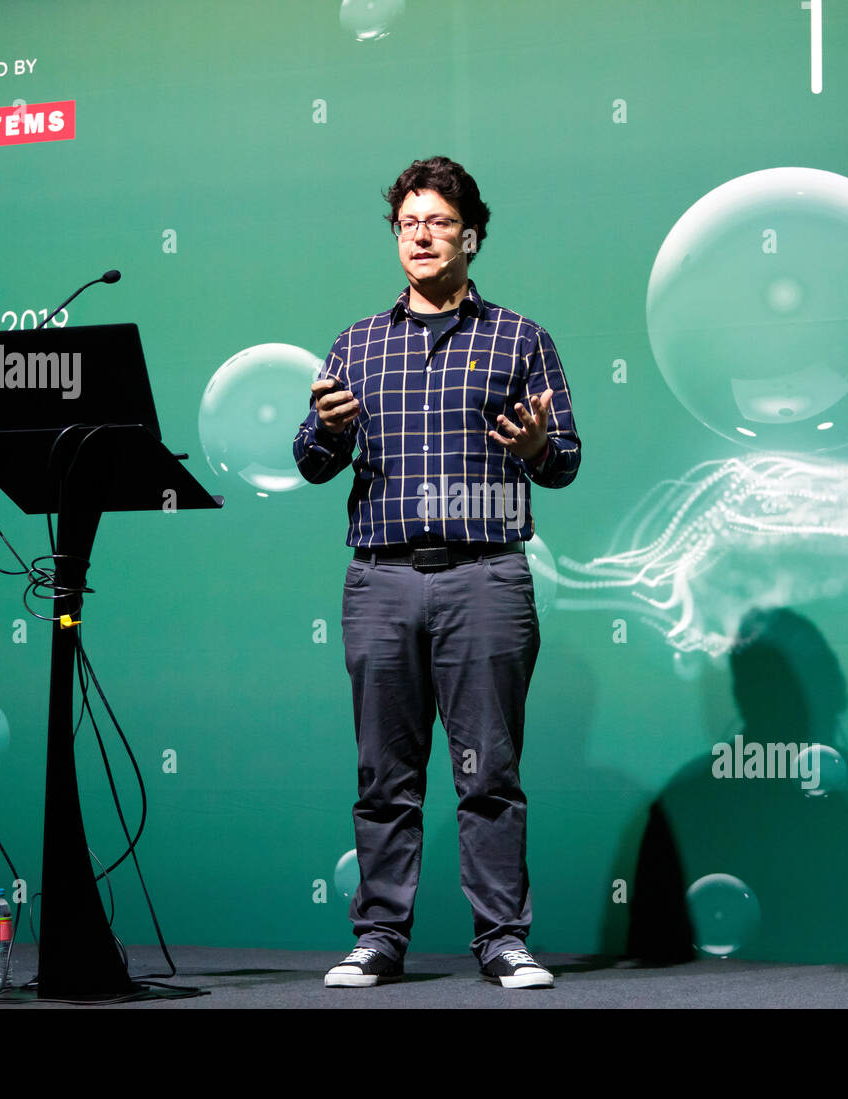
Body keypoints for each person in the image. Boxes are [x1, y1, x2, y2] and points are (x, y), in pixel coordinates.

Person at [292, 156, 581, 989]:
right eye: (408, 223)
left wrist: (534, 448)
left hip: (486, 575)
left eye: (439, 222)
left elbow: (562, 461)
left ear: (472, 237)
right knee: (384, 773)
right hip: (380, 578)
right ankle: (379, 936)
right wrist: (326, 432)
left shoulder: (521, 339)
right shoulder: (355, 343)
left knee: (488, 770)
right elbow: (312, 463)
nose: (421, 236)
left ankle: (502, 938)